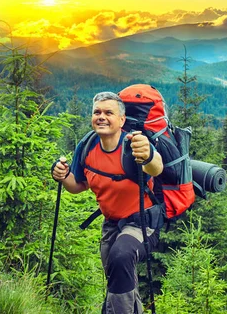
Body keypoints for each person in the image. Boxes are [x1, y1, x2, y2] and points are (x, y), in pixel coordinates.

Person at [52, 91, 163, 314]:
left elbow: (156, 168)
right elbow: (77, 186)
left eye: (109, 112)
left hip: (142, 223)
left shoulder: (133, 145)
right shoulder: (87, 147)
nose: (101, 116)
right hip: (111, 225)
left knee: (121, 256)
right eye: (97, 112)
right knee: (118, 280)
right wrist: (62, 176)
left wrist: (149, 154)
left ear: (122, 120)